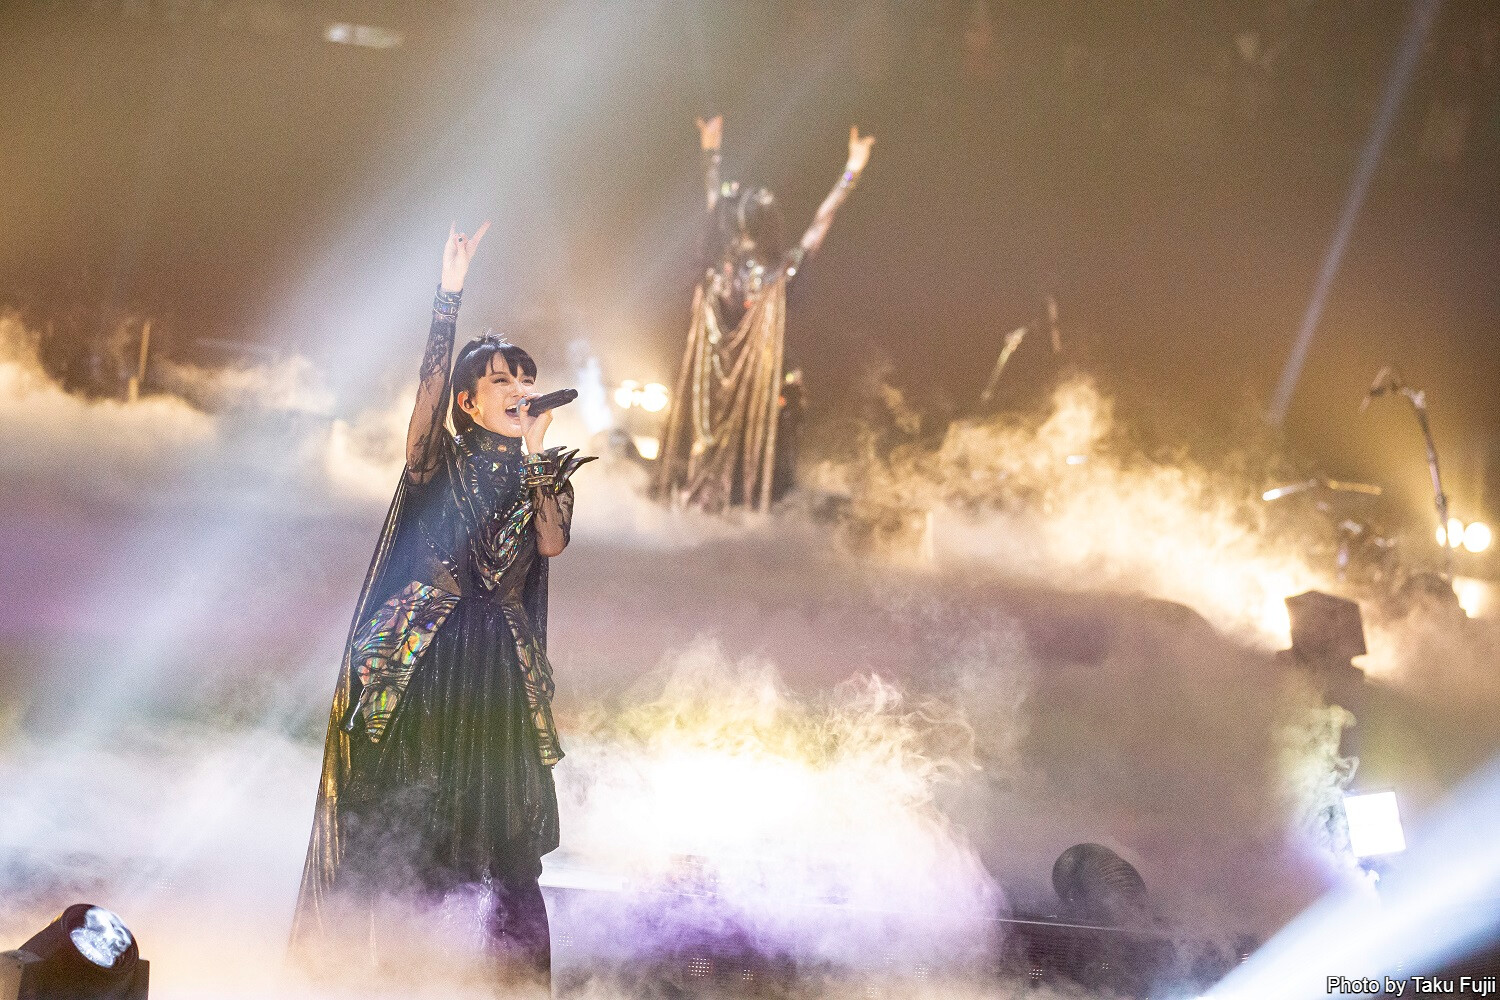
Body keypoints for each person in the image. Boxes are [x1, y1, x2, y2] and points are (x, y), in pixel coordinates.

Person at [290, 222, 592, 992]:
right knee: (411, 847)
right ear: (468, 400)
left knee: (510, 857)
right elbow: (423, 406)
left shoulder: (539, 474)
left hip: (496, 678)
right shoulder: (437, 460)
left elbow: (551, 546)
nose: (520, 387)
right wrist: (447, 295)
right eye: (502, 379)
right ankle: (398, 982)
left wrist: (532, 464)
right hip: (420, 669)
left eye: (526, 377)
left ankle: (517, 988)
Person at [653, 116, 873, 512]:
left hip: (711, 383)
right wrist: (850, 173)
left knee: (710, 442)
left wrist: (711, 155)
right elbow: (819, 225)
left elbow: (713, 204)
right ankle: (750, 501)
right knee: (762, 441)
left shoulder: (720, 269)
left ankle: (705, 500)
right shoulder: (775, 274)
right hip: (754, 382)